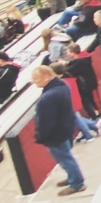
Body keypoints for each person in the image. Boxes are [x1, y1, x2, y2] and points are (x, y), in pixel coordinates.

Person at [30, 65, 86, 195]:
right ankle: (72, 177)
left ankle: (77, 183)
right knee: (65, 156)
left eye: (36, 79)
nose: (34, 82)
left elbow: (46, 121)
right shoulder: (62, 86)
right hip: (65, 128)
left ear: (47, 76)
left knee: (65, 158)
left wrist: (40, 136)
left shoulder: (47, 98)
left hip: (55, 134)